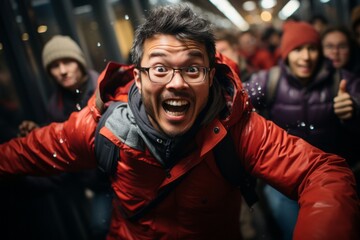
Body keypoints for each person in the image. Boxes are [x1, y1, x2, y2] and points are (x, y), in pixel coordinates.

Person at [0, 4, 359, 240]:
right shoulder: (103, 127)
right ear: (137, 78)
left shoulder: (236, 128)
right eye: (159, 68)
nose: (176, 82)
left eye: (191, 68)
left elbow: (322, 172)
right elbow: (26, 154)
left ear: (209, 75)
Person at [244, 20, 360, 240]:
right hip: (283, 181)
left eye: (312, 49)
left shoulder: (342, 80)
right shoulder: (269, 80)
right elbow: (236, 100)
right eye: (297, 50)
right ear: (286, 53)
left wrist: (354, 110)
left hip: (332, 180)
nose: (306, 57)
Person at [13, 35, 112, 240]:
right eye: (55, 66)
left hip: (128, 175)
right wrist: (38, 136)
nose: (63, 70)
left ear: (80, 63)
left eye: (67, 61)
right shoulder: (55, 107)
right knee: (99, 228)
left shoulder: (105, 86)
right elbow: (64, 148)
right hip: (100, 186)